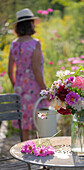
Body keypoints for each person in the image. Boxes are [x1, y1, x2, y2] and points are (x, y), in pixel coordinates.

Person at [8, 8, 49, 141]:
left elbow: (10, 70)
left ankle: (26, 152)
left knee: (24, 123)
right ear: (31, 24)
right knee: (41, 121)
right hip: (35, 88)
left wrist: (17, 86)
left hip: (20, 89)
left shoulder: (14, 45)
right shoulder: (35, 44)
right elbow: (36, 70)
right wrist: (45, 89)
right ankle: (41, 152)